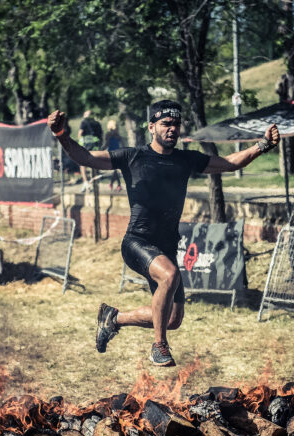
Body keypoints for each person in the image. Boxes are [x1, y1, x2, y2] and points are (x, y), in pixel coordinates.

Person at [47, 100, 279, 367]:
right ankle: (159, 346)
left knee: (172, 319)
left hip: (166, 247)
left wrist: (262, 145)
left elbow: (229, 163)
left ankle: (114, 318)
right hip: (137, 242)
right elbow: (86, 157)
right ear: (152, 127)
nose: (172, 129)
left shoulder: (186, 159)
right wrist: (61, 135)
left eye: (176, 124)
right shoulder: (132, 157)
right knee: (169, 275)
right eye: (166, 124)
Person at [78, 110, 103, 192]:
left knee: (82, 164)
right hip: (95, 146)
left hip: (85, 145)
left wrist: (79, 141)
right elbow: (101, 135)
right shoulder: (97, 123)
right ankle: (94, 180)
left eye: (85, 114)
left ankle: (86, 182)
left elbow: (80, 134)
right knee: (94, 162)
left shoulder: (84, 122)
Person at [104, 120, 124, 191]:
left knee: (116, 170)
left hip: (118, 153)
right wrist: (102, 149)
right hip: (111, 153)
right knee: (115, 169)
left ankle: (112, 183)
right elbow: (107, 143)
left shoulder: (118, 135)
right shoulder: (108, 135)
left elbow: (122, 143)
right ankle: (118, 185)